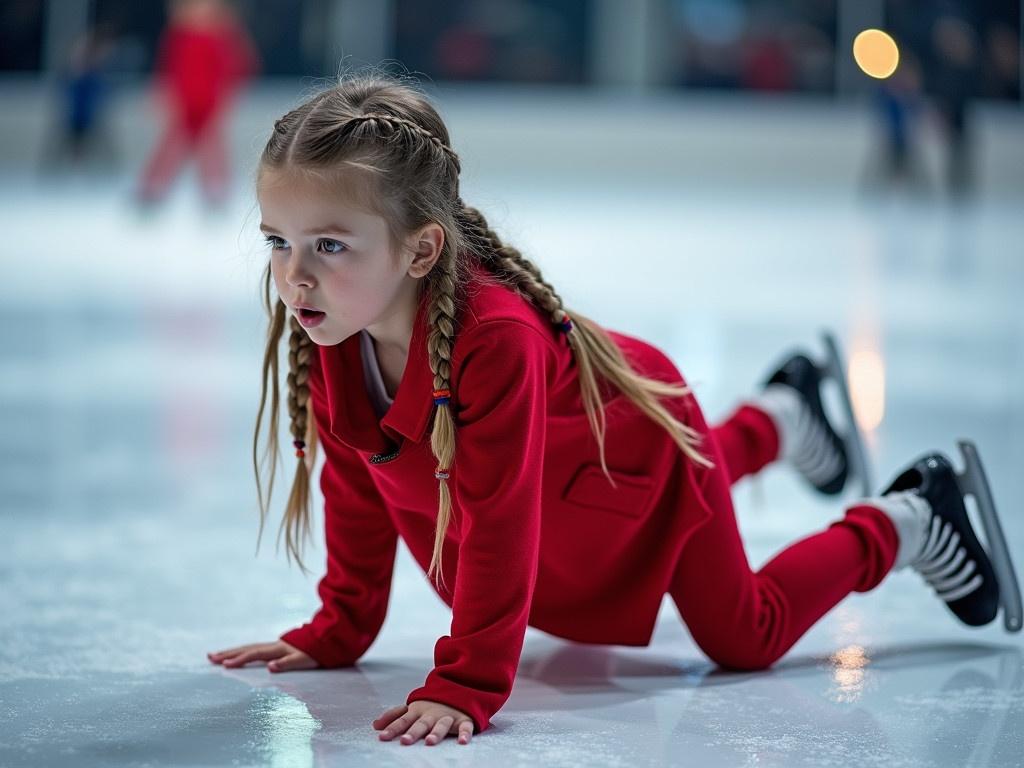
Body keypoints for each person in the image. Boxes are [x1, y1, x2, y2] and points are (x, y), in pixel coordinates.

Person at [207, 71, 1019, 746]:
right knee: (644, 517)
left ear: (422, 248)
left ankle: (912, 516)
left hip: (638, 445)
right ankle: (781, 421)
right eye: (279, 241)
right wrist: (341, 629)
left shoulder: (496, 341)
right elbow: (361, 478)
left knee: (746, 636)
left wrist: (467, 684)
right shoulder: (333, 319)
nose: (295, 276)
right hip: (574, 475)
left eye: (330, 244)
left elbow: (495, 521)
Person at [135, 0, 259, 208]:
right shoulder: (179, 35)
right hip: (184, 102)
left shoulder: (222, 35)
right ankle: (151, 190)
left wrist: (229, 92)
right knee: (172, 147)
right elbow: (167, 67)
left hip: (209, 102)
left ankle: (216, 194)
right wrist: (161, 94)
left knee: (211, 149)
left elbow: (241, 65)